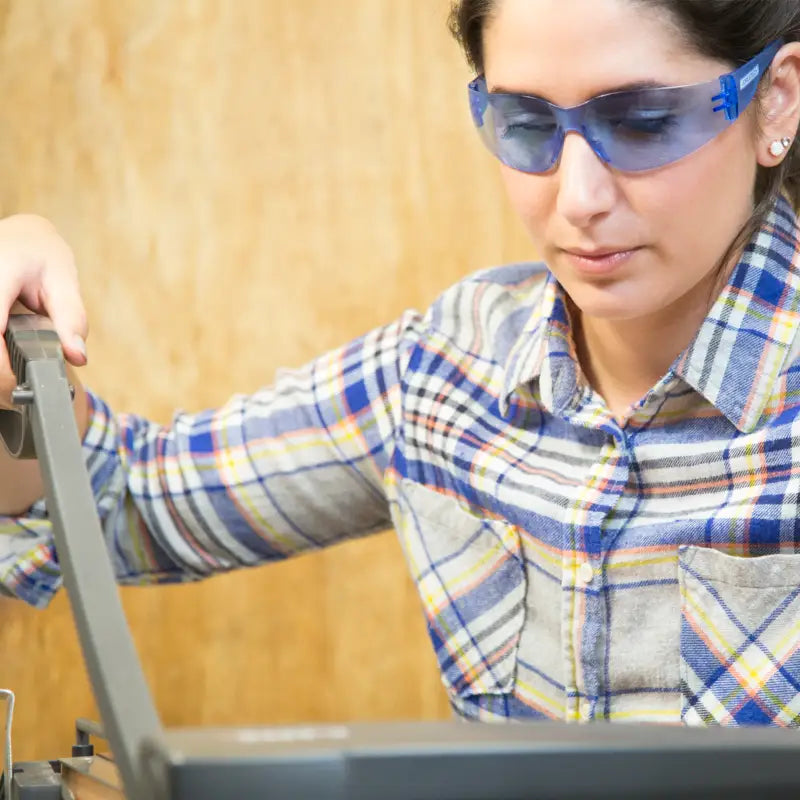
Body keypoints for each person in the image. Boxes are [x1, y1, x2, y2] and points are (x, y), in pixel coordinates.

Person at [0, 0, 799, 727]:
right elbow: (115, 498)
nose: (579, 197)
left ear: (776, 101)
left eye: (644, 120)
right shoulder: (444, 372)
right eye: (524, 123)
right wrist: (18, 344)